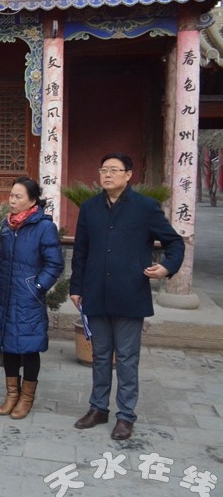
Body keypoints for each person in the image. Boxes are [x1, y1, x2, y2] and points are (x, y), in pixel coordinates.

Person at [70, 153, 184, 440]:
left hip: (130, 293)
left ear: (128, 174)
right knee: (100, 355)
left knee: (127, 358)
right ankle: (98, 408)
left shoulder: (146, 207)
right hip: (96, 292)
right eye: (103, 169)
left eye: (114, 170)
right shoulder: (90, 207)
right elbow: (81, 251)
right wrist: (76, 287)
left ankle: (125, 415)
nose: (107, 175)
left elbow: (174, 242)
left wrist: (167, 267)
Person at [0, 177, 64, 420]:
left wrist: (37, 286)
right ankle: (11, 394)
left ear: (32, 200)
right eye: (11, 195)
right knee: (7, 345)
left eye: (18, 196)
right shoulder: (8, 225)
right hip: (5, 295)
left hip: (28, 297)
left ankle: (26, 398)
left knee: (29, 347)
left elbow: (54, 264)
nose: (12, 200)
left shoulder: (44, 227)